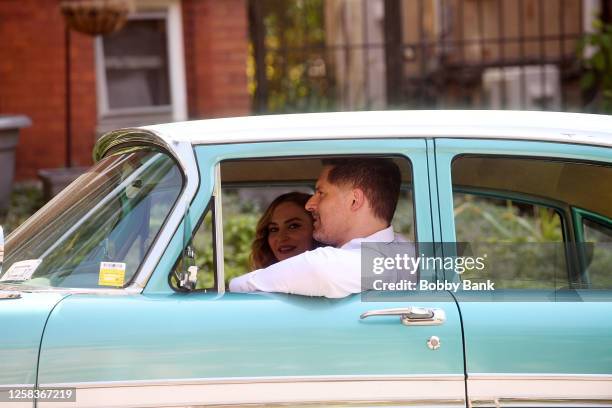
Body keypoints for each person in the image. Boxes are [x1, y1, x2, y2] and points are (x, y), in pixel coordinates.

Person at [229, 158, 405, 298]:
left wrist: (233, 285)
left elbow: (318, 268)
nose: (310, 204)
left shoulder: (339, 265)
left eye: (321, 193)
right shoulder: (406, 249)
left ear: (354, 200)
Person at [250, 192, 318, 269]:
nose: (281, 238)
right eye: (274, 229)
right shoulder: (260, 279)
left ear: (317, 227)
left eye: (293, 226)